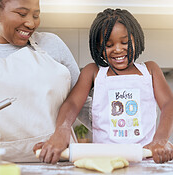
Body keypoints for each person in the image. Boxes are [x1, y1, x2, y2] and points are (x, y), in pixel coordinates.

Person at [34, 8, 173, 164]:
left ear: (136, 39)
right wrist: (62, 130)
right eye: (108, 45)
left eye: (125, 42)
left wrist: (160, 139)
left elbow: (169, 104)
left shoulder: (150, 70)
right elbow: (72, 104)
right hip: (104, 160)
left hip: (145, 158)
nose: (118, 49)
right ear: (98, 47)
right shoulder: (93, 72)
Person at [0, 0, 90, 162]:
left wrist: (125, 137)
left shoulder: (51, 44)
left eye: (36, 15)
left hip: (59, 162)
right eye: (22, 14)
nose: (31, 23)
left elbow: (82, 104)